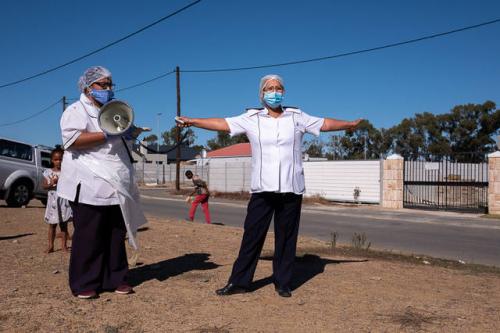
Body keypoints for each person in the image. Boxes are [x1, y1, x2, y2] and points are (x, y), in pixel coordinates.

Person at [177, 74, 362, 297]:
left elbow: (324, 123)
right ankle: (239, 282)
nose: (274, 92)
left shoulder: (297, 117)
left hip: (291, 187)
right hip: (262, 189)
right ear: (262, 93)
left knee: (286, 237)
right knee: (252, 236)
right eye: (269, 88)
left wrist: (348, 125)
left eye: (278, 88)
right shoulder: (251, 118)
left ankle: (282, 281)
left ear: (283, 92)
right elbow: (222, 123)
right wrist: (193, 121)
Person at [57, 66, 147, 299]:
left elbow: (119, 137)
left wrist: (129, 131)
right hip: (88, 182)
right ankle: (85, 282)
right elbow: (72, 140)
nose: (107, 89)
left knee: (116, 233)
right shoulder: (76, 110)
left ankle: (116, 278)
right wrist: (107, 133)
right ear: (88, 87)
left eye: (110, 85)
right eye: (102, 84)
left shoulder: (114, 110)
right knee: (89, 235)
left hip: (115, 182)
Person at [42, 146, 72, 253]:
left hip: (63, 202)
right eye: (56, 159)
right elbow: (44, 186)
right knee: (52, 225)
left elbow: (70, 185)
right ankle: (50, 246)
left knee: (63, 225)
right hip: (53, 203)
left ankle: (64, 246)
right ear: (52, 160)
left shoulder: (66, 172)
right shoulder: (48, 172)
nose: (58, 162)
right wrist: (52, 183)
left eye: (60, 159)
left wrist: (61, 181)